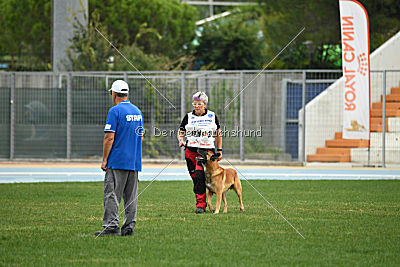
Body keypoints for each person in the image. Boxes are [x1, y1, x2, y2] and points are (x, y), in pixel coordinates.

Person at [95, 80, 143, 236]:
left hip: (117, 160)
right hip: (134, 161)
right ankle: (129, 227)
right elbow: (140, 137)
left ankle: (111, 226)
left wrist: (104, 160)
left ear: (114, 94)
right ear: (127, 94)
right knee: (131, 196)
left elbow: (109, 137)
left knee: (112, 194)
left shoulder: (114, 111)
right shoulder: (137, 112)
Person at [177, 92, 223, 213]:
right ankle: (201, 199)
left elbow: (218, 134)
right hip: (191, 150)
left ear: (205, 104)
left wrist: (219, 150)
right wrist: (181, 140)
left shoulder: (212, 116)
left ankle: (201, 205)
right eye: (195, 104)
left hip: (206, 152)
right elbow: (181, 131)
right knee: (195, 178)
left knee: (199, 175)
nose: (196, 106)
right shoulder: (188, 117)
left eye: (199, 104)